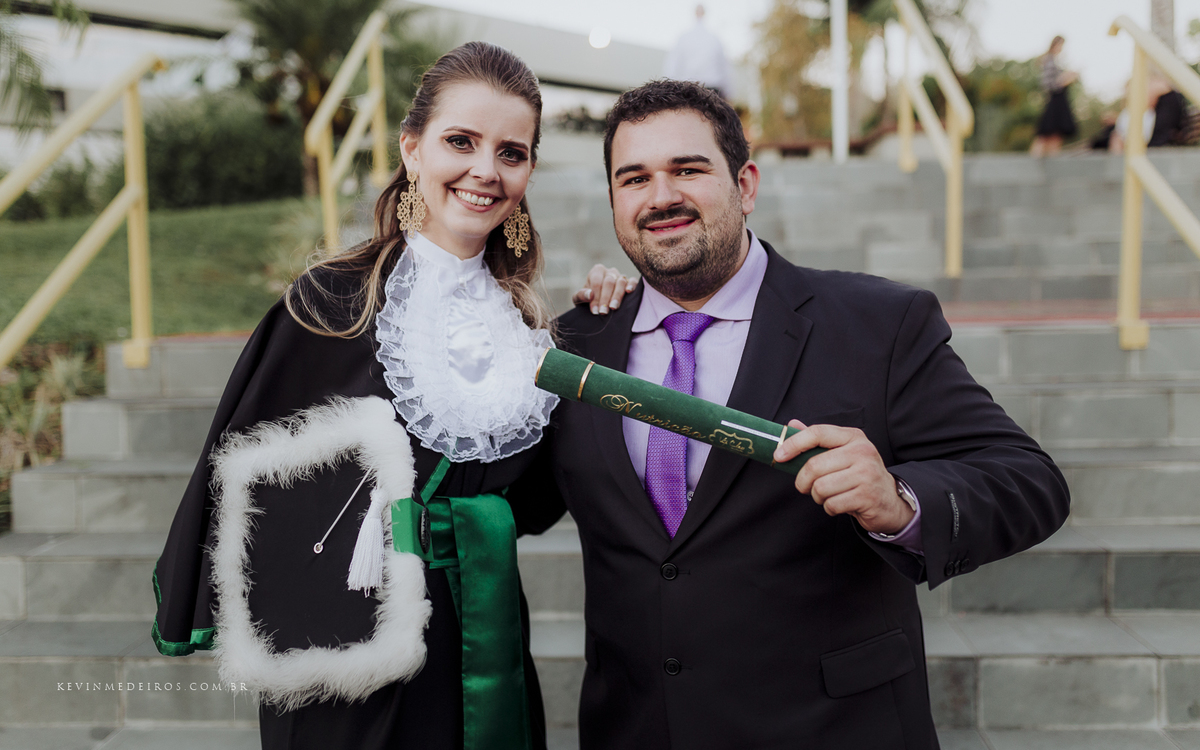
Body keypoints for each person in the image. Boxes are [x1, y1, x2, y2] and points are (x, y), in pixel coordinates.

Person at [516, 80, 1071, 748]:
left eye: (688, 170)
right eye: (634, 179)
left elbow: (1029, 480)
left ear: (745, 185)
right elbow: (508, 499)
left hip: (834, 731)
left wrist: (900, 501)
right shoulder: (574, 347)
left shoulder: (879, 324)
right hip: (637, 730)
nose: (660, 196)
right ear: (614, 201)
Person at [150, 42, 630, 750]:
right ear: (411, 149)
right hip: (352, 649)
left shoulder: (527, 331)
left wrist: (600, 327)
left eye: (511, 152)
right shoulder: (331, 304)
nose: (485, 171)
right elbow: (251, 491)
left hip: (481, 637)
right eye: (460, 142)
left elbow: (533, 505)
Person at [662, 5, 735, 100]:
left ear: (695, 13)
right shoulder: (714, 39)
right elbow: (724, 68)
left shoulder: (684, 38)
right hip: (710, 91)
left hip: (689, 90)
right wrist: (729, 93)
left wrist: (668, 91)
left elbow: (672, 66)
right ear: (704, 13)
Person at [1031, 35, 1078, 157]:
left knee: (1056, 133)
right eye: (1060, 45)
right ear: (1055, 45)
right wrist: (1066, 79)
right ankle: (1033, 161)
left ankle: (1053, 161)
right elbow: (1049, 84)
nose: (1061, 48)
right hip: (1055, 99)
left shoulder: (1055, 61)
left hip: (1061, 99)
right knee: (1046, 133)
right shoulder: (1049, 60)